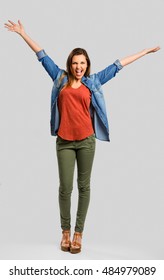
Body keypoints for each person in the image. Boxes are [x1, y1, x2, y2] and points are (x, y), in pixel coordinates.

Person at [4, 19, 160, 254]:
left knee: (84, 187)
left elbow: (118, 65)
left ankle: (78, 234)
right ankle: (65, 232)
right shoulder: (60, 78)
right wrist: (23, 34)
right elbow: (42, 55)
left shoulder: (93, 81)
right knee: (65, 188)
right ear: (70, 64)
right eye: (75, 63)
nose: (78, 67)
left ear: (87, 65)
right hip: (64, 142)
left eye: (82, 63)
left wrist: (145, 51)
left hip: (86, 141)